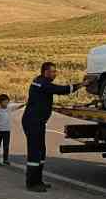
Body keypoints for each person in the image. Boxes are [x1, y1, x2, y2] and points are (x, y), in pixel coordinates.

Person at [21, 62, 90, 192]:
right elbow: (62, 90)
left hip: (37, 122)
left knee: (41, 151)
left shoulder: (40, 81)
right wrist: (82, 84)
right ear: (46, 72)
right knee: (35, 152)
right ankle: (31, 183)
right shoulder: (43, 84)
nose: (55, 74)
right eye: (53, 71)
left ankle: (38, 181)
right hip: (33, 122)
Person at [0, 93, 23, 166]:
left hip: (7, 131)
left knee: (6, 146)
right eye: (4, 102)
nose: (6, 103)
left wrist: (25, 104)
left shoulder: (9, 108)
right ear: (0, 102)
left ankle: (5, 159)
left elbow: (18, 107)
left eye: (7, 102)